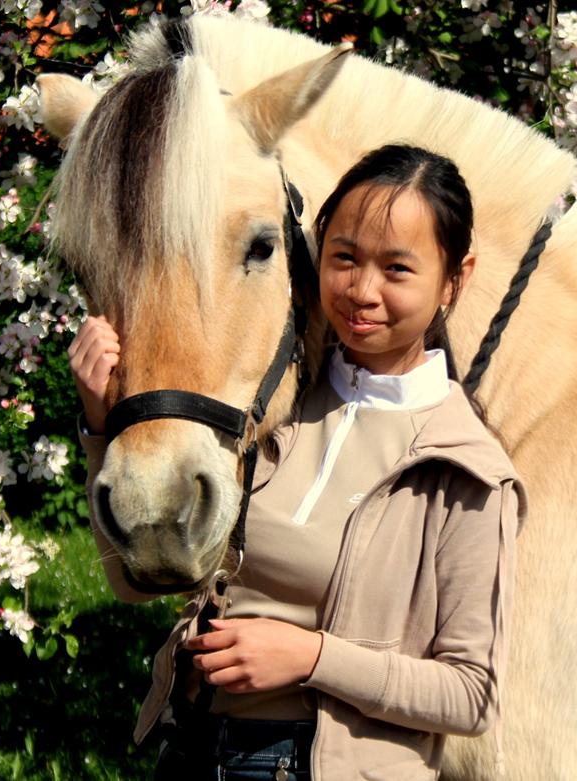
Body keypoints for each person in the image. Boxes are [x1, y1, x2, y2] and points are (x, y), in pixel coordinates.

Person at [69, 144, 525, 780]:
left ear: (456, 279)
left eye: (397, 269)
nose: (362, 291)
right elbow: (137, 579)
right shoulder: (272, 409)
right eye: (344, 258)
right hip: (194, 750)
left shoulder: (464, 472)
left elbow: (471, 694)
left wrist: (312, 658)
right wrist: (102, 420)